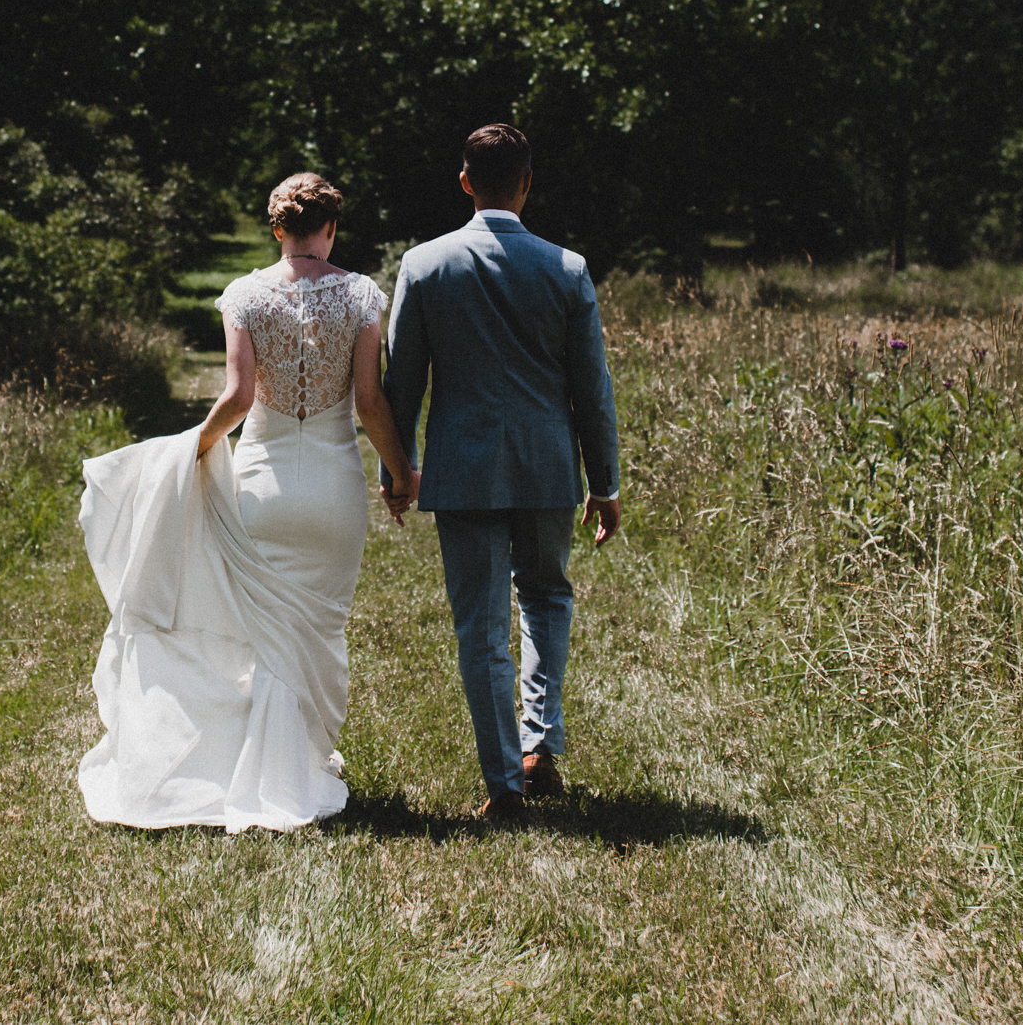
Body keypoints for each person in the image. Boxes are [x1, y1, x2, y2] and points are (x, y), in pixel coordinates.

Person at [76, 173, 420, 832]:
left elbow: (236, 400)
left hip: (262, 484)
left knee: (270, 640)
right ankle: (295, 770)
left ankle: (268, 771)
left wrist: (191, 447)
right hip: (333, 487)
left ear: (276, 230)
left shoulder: (244, 296)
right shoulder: (362, 296)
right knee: (316, 631)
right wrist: (400, 469)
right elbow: (371, 403)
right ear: (332, 228)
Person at [381, 123, 621, 821]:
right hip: (548, 465)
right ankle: (540, 744)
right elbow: (592, 387)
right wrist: (602, 481)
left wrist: (399, 471)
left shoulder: (424, 266)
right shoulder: (567, 267)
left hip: (463, 468)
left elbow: (404, 384)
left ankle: (505, 785)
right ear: (527, 182)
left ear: (464, 181)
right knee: (547, 597)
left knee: (480, 626)